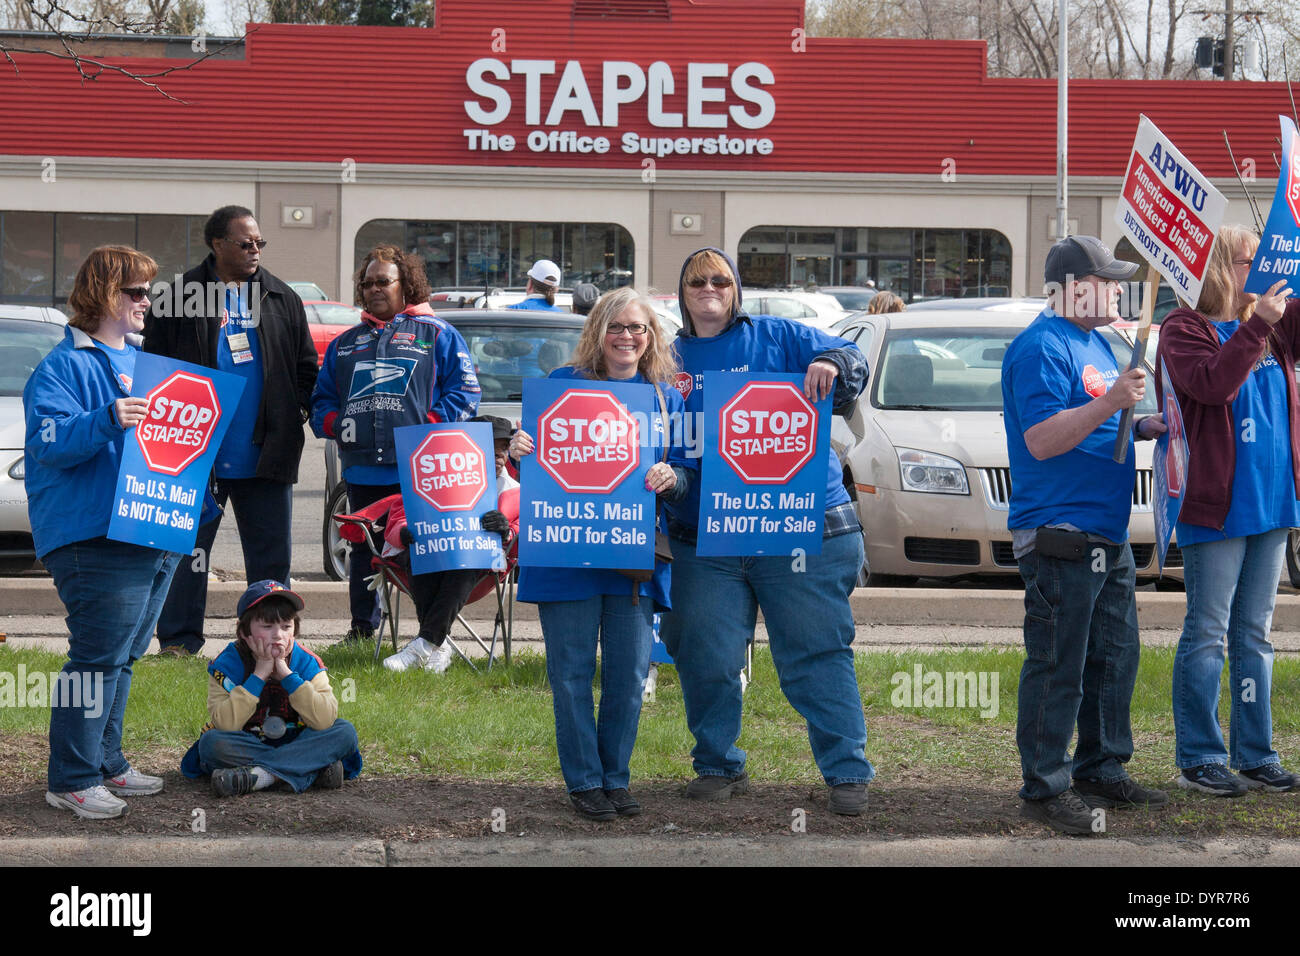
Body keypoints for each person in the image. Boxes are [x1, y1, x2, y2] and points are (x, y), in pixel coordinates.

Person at [660, 247, 874, 816]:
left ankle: (846, 772)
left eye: (721, 280)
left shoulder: (777, 336)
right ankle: (717, 763)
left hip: (800, 528)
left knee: (816, 653)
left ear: (736, 288)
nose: (710, 288)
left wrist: (833, 364)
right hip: (704, 536)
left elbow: (853, 355)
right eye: (697, 280)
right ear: (681, 291)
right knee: (704, 654)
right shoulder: (665, 356)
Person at [1002, 235, 1169, 836]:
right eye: (1108, 279)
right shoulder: (1040, 348)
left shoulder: (1095, 342)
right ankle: (1044, 787)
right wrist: (1115, 401)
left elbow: (1099, 428)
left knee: (1113, 656)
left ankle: (1100, 767)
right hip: (1059, 532)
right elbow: (1044, 439)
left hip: (1106, 528)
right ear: (1074, 287)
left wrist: (1143, 421)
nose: (1119, 289)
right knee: (1058, 663)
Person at [509, 287, 692, 820]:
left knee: (629, 674)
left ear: (651, 336)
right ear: (598, 332)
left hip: (632, 553)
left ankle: (616, 778)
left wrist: (671, 476)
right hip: (566, 551)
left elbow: (687, 474)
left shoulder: (665, 397)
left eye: (638, 328)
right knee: (569, 674)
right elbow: (536, 472)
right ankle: (584, 783)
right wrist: (518, 452)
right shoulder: (562, 387)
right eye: (617, 326)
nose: (628, 337)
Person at [24, 245, 182, 820]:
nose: (147, 301)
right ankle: (70, 778)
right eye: (137, 292)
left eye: (148, 291)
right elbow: (48, 443)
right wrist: (106, 417)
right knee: (95, 658)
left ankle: (106, 761)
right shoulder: (62, 367)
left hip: (151, 528)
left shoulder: (147, 361)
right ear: (105, 296)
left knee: (124, 654)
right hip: (93, 535)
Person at [1158, 224, 1300, 796]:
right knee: (1209, 631)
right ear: (1221, 267)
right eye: (1251, 262)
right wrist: (1258, 323)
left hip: (1272, 501)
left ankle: (1254, 753)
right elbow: (1213, 385)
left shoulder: (1272, 323)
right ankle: (1199, 756)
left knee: (1256, 634)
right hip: (1214, 508)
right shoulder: (1184, 328)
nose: (1261, 273)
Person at [143, 205, 318, 658]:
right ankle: (179, 642)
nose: (255, 250)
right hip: (193, 453)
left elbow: (305, 367)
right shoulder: (178, 297)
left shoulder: (281, 297)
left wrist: (292, 412)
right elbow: (154, 366)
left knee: (269, 560)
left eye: (260, 242)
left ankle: (270, 644)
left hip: (264, 452)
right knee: (184, 552)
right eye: (245, 243)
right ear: (217, 244)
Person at [311, 244, 480, 644]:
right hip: (363, 467)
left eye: (382, 281)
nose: (373, 289)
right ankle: (362, 630)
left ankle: (427, 638)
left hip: (422, 469)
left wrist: (431, 427)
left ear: (406, 285)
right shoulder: (344, 343)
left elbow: (466, 392)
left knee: (422, 549)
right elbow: (321, 403)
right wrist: (338, 424)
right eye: (366, 283)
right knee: (363, 549)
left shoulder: (438, 333)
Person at [180, 581, 361, 796]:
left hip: (299, 739)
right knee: (212, 743)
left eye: (286, 626)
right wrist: (258, 676)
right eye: (267, 626)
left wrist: (288, 676)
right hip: (248, 742)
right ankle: (312, 767)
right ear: (244, 631)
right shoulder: (227, 664)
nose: (278, 635)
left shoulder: (307, 662)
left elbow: (323, 720)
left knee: (344, 732)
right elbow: (226, 724)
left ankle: (260, 777)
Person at [382, 414, 519, 673]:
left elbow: (520, 531)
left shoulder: (512, 490)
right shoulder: (437, 472)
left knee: (466, 559)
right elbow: (400, 515)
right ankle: (435, 645)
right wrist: (404, 532)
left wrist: (506, 532)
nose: (499, 455)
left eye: (503, 448)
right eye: (492, 448)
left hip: (477, 569)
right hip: (428, 558)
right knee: (421, 551)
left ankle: (424, 645)